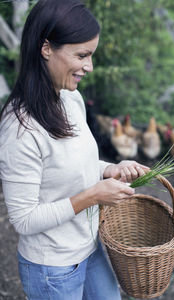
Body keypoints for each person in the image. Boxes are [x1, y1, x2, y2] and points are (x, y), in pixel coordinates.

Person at [0, 1, 149, 299]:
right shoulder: (20, 129)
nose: (89, 66)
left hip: (89, 247)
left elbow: (76, 165)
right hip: (52, 268)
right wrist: (93, 195)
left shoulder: (70, 99)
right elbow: (24, 219)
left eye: (91, 55)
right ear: (46, 48)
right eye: (82, 55)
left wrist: (109, 169)